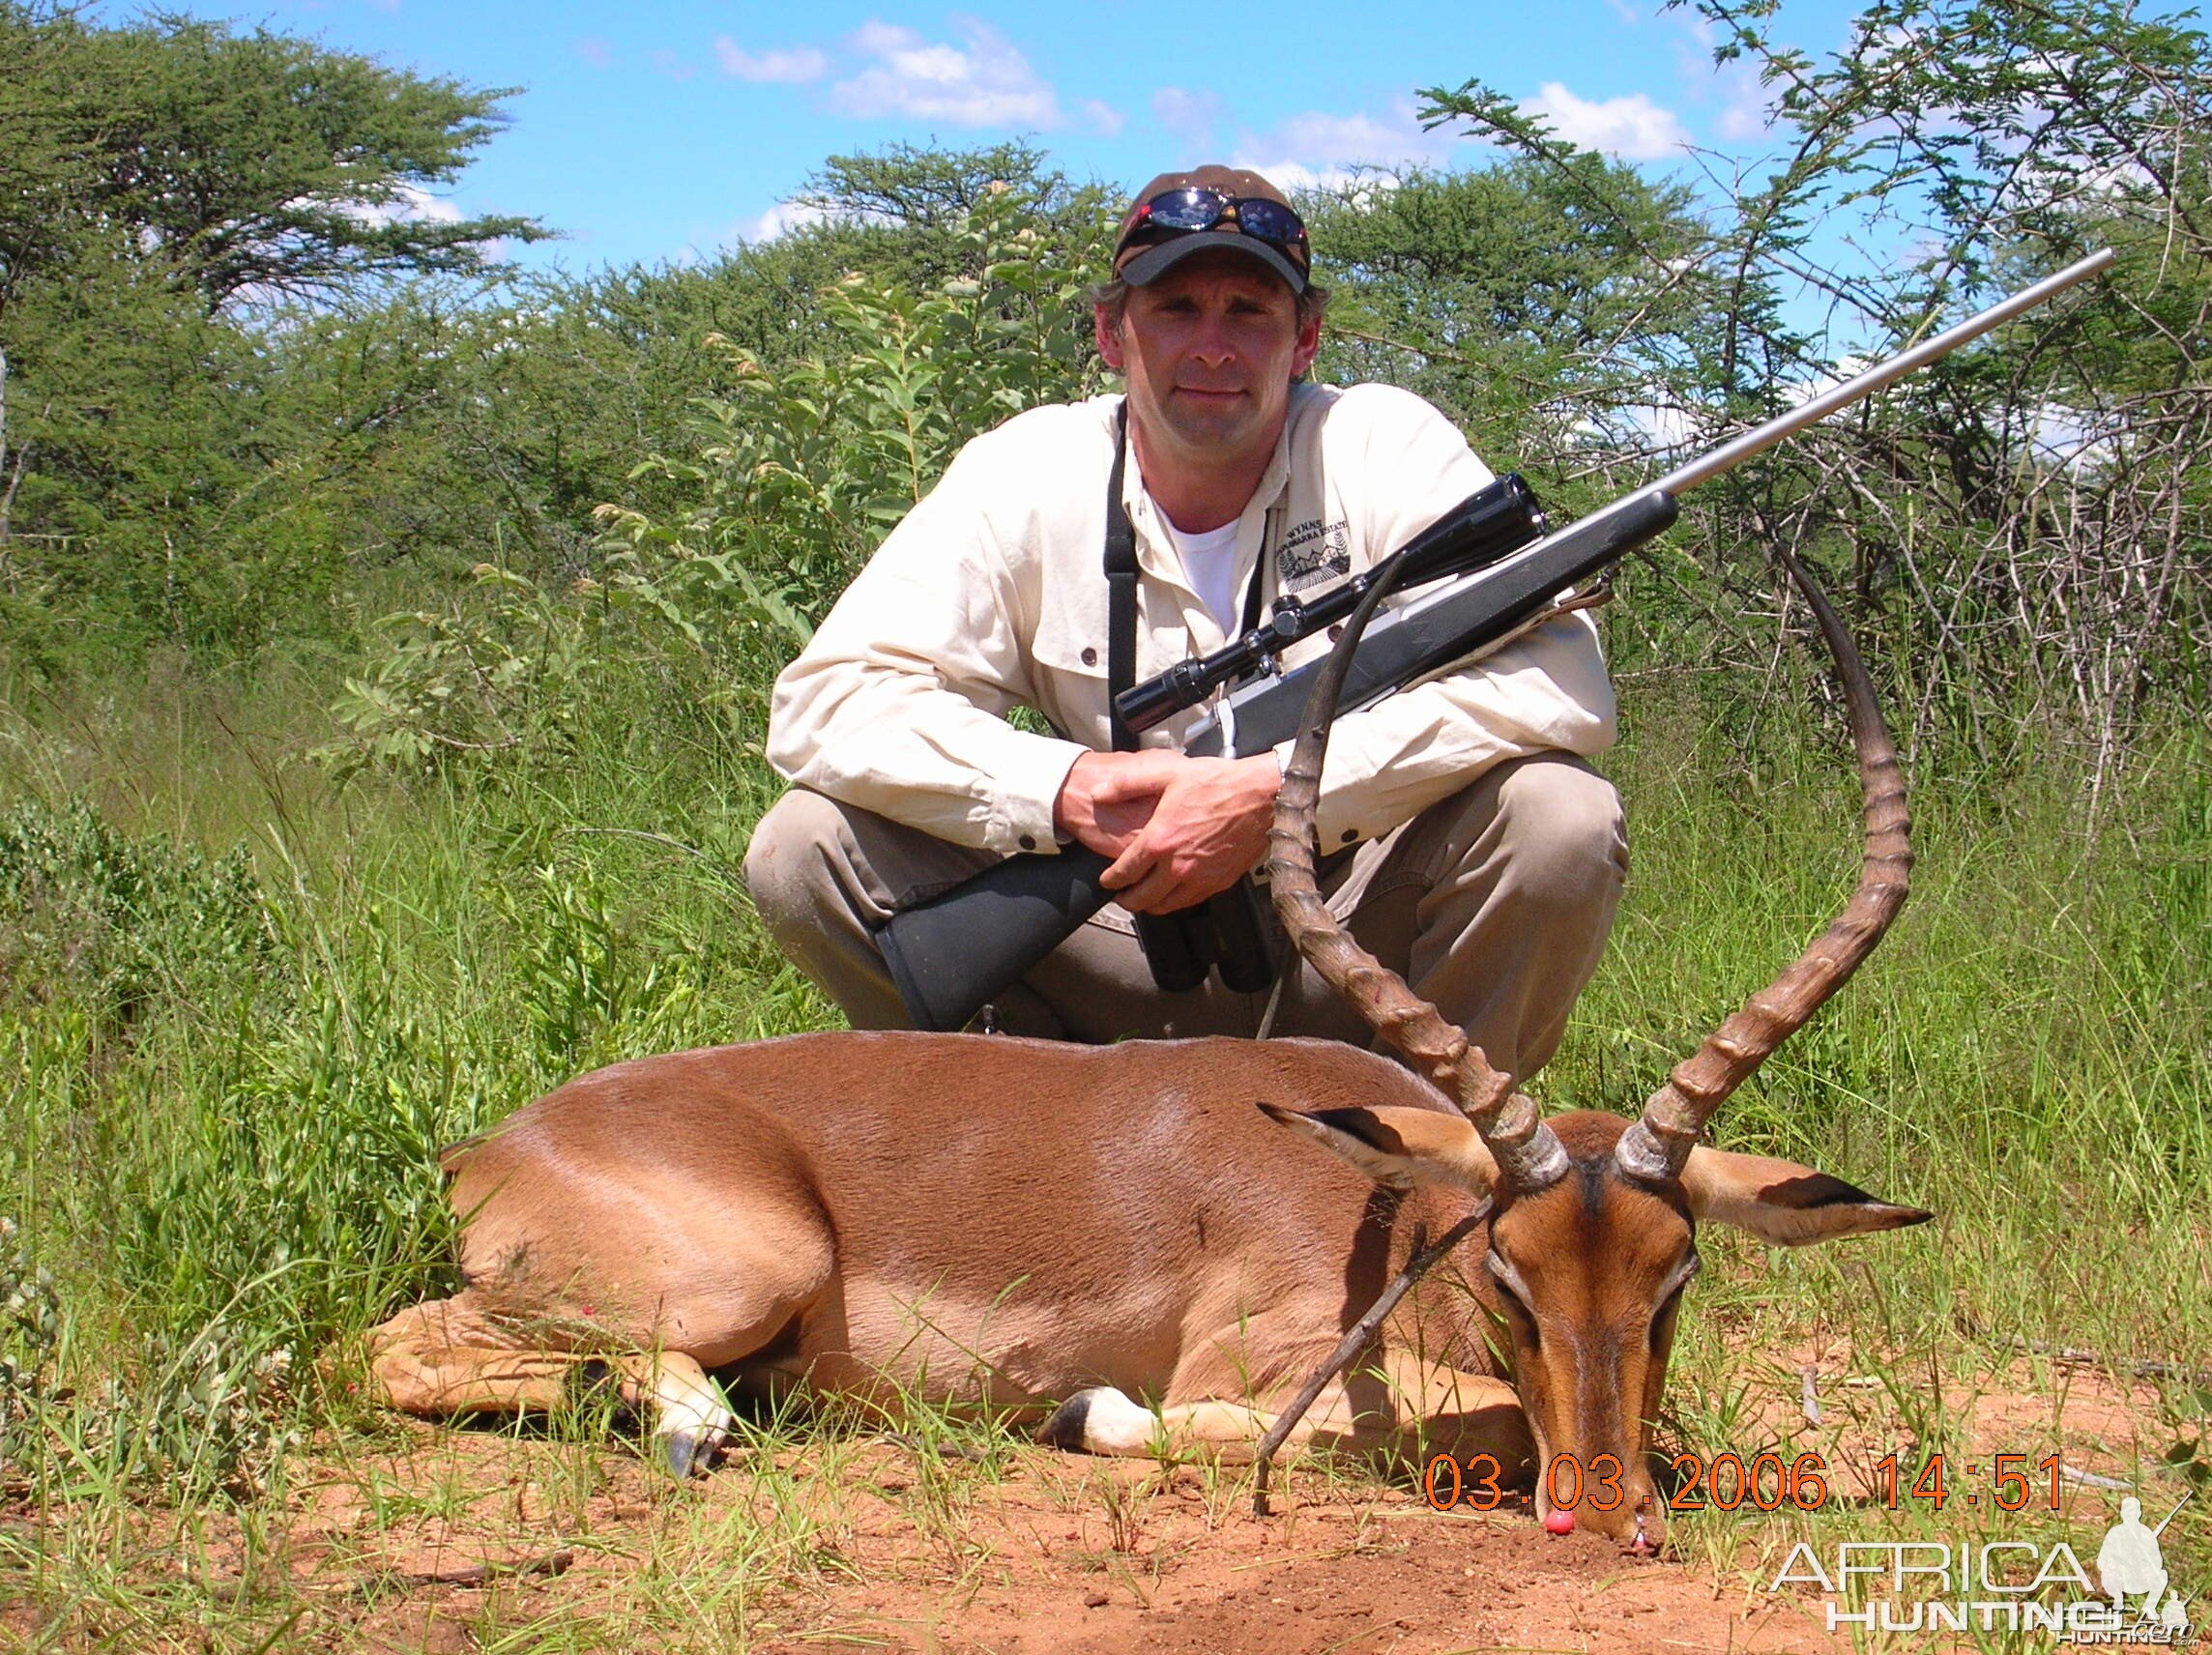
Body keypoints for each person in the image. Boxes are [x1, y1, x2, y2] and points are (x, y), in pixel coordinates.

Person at [743, 164, 1627, 1079]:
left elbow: (1561, 678)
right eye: (1175, 310)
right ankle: (1026, 1158)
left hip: (1353, 933)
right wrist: (1068, 787)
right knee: (804, 847)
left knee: (1559, 817)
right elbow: (824, 702)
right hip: (1123, 925)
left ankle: (1439, 1169)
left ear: (1306, 338)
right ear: (1111, 334)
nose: (1213, 347)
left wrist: (1280, 795)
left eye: (1250, 310)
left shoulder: (1380, 445)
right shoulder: (1027, 469)